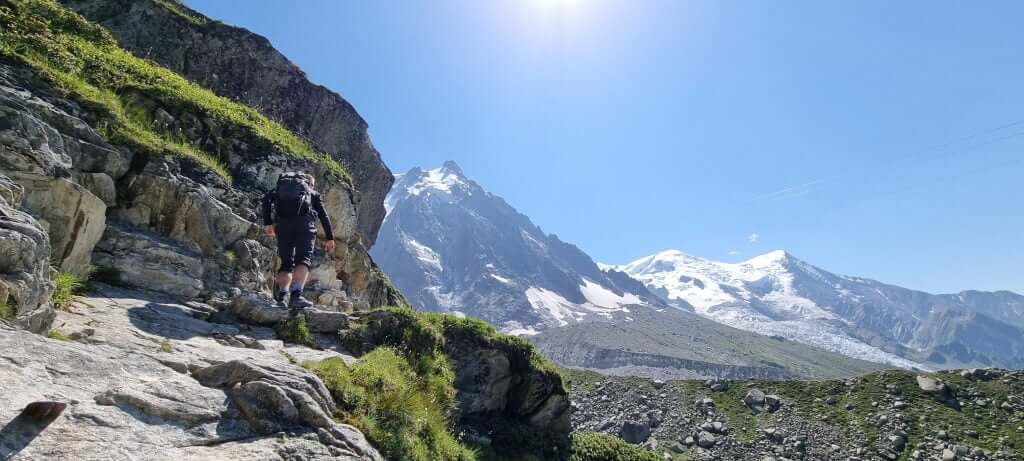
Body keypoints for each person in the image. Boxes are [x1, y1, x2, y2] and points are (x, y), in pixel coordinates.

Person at [262, 172, 336, 309]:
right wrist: (330, 237)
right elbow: (323, 216)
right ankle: (296, 296)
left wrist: (268, 223)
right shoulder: (312, 193)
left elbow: (266, 199)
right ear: (309, 184)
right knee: (303, 260)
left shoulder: (280, 189)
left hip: (283, 226)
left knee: (286, 264)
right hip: (304, 227)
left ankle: (283, 296)